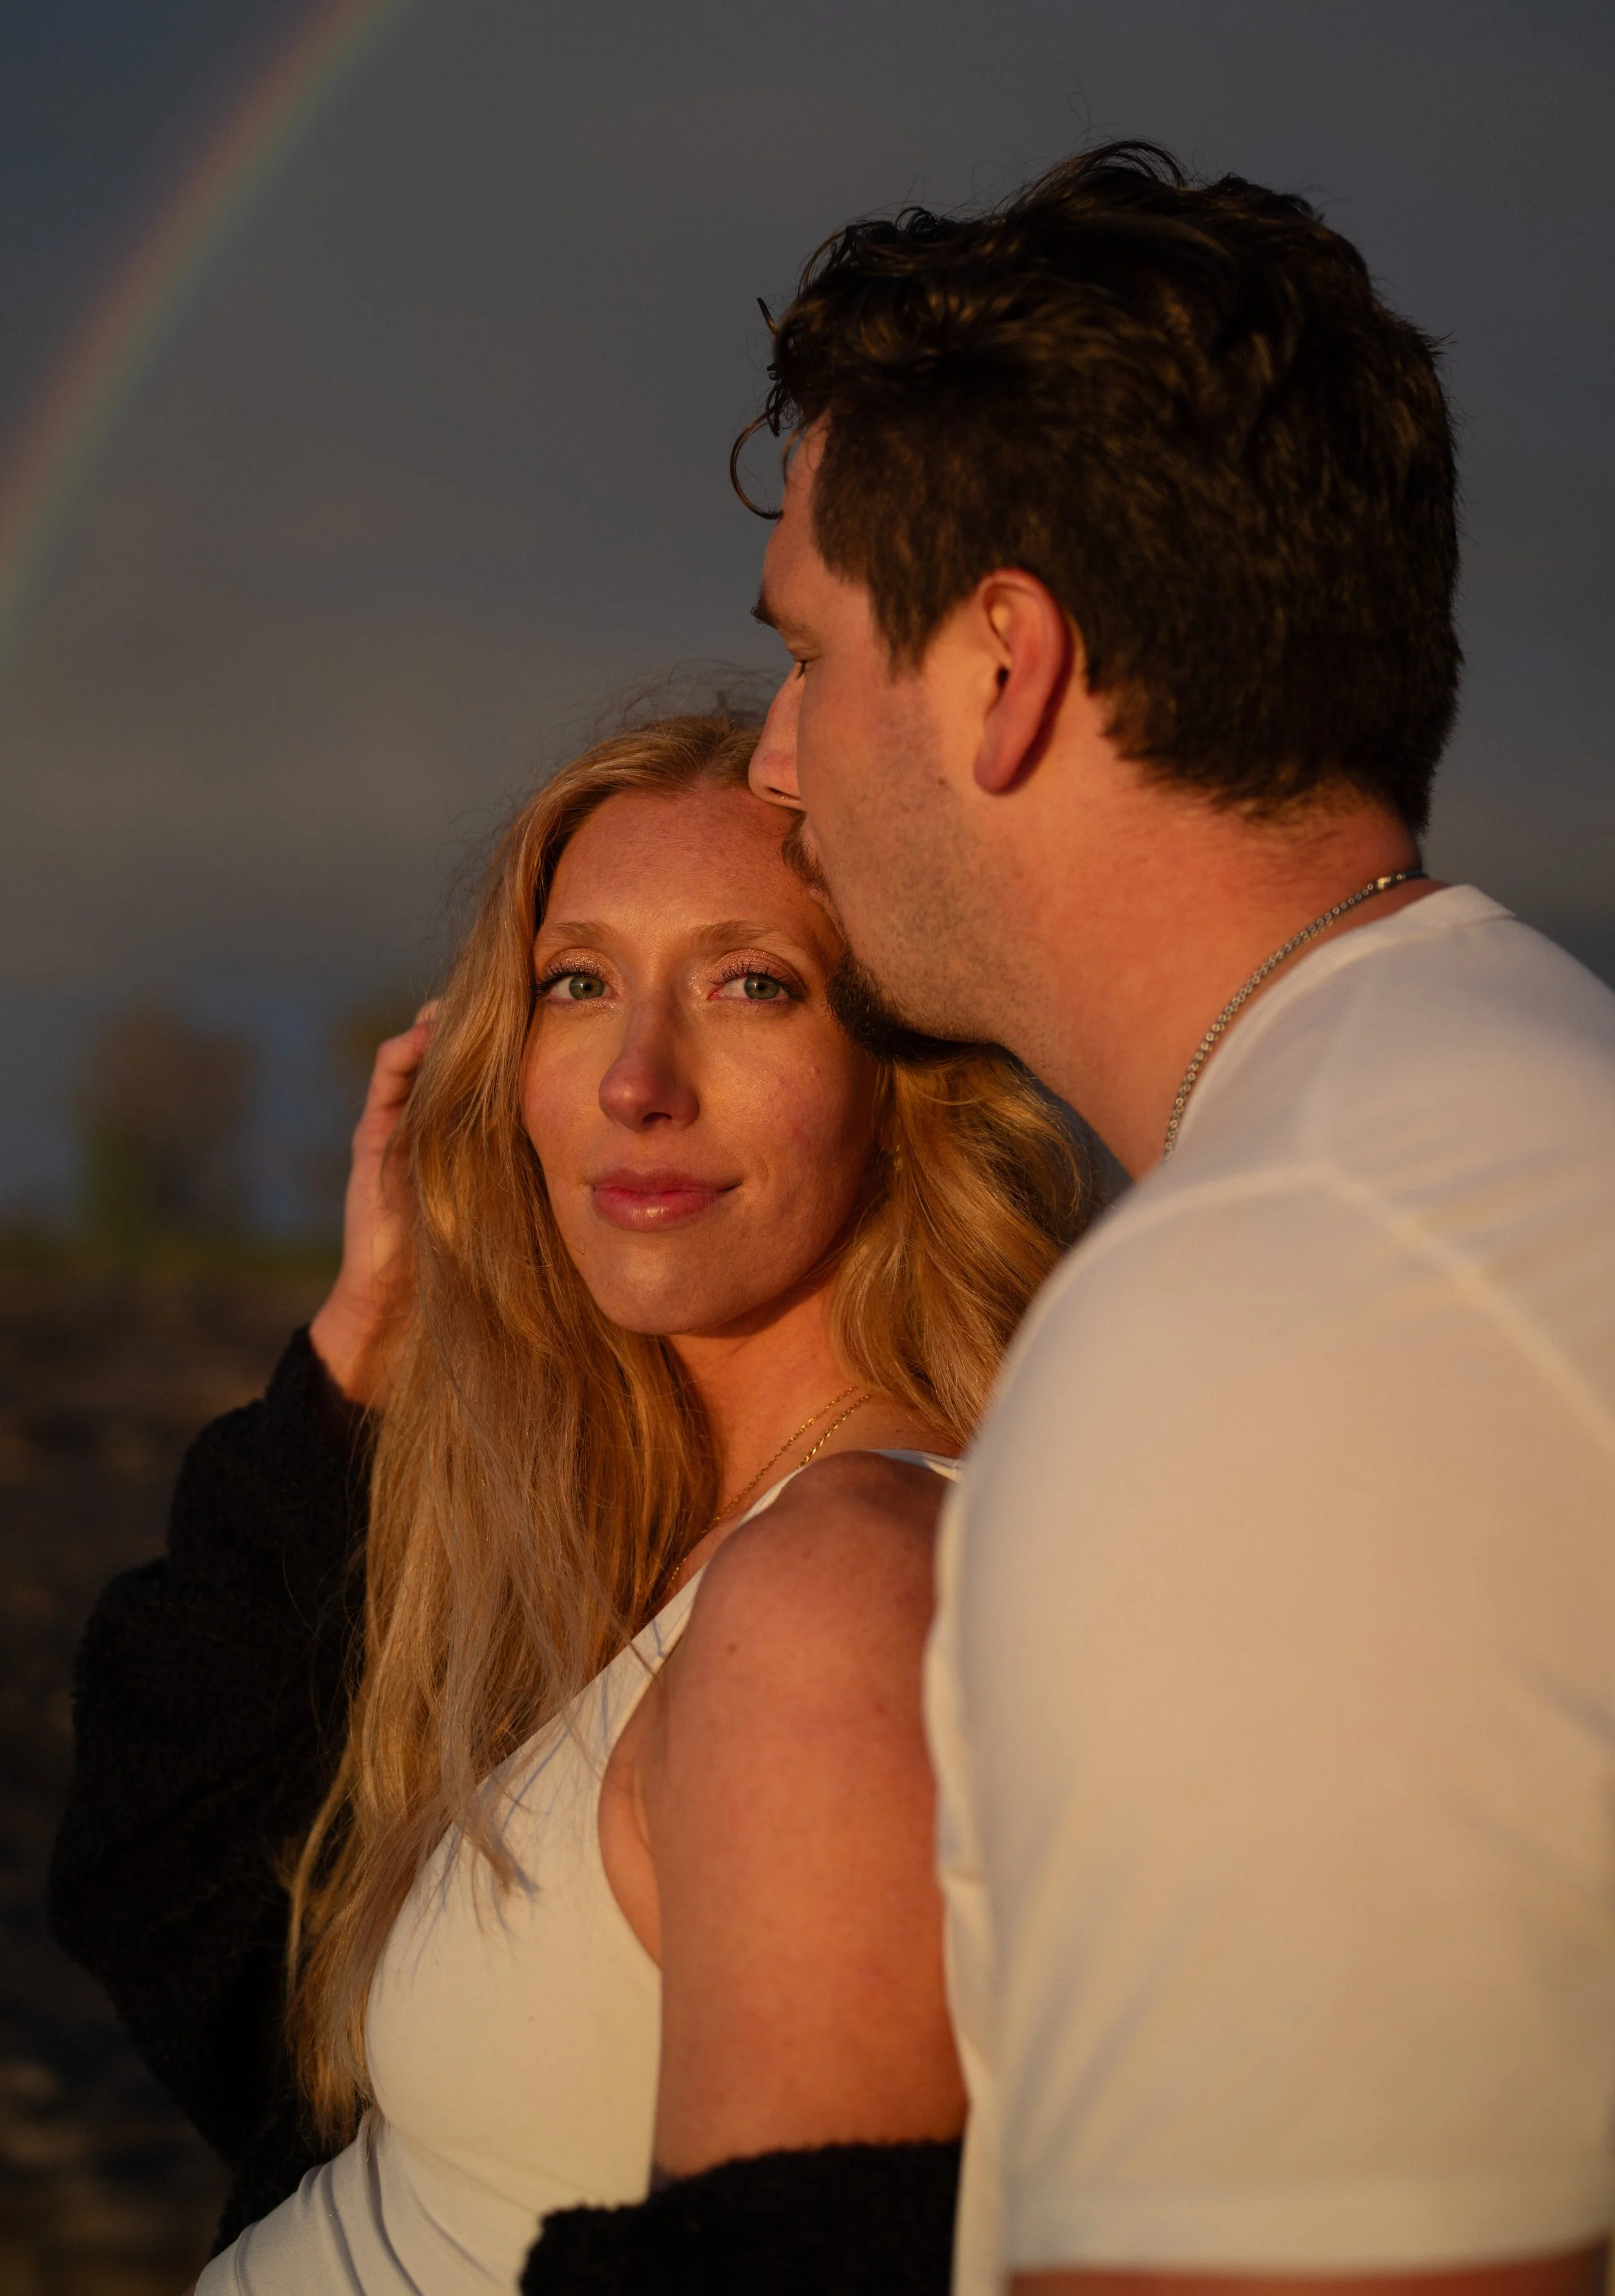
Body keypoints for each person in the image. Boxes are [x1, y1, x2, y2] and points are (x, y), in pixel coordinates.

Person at [740, 141, 1615, 2296]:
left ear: (1002, 668)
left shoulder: (1270, 1334)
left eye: (811, 656)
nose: (775, 761)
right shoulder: (1496, 1110)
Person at [50, 708, 1090, 2294]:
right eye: (577, 984)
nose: (636, 1080)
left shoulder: (842, 1598)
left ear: (903, 1074)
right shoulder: (627, 1534)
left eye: (752, 983)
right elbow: (167, 1883)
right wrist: (363, 1340)